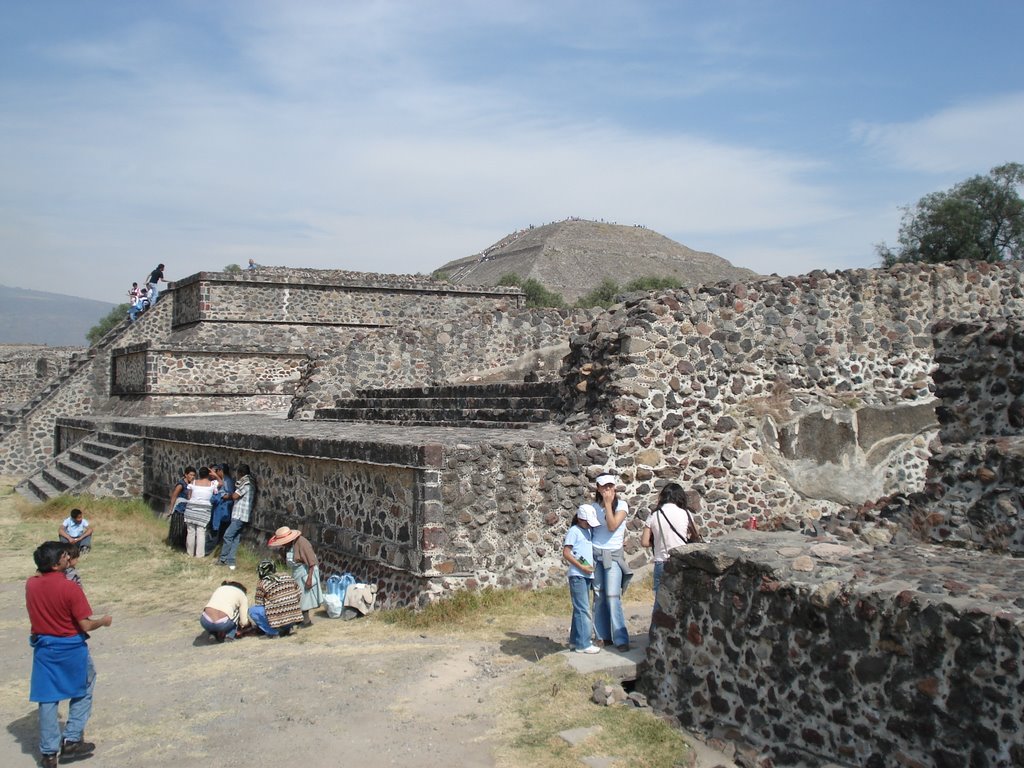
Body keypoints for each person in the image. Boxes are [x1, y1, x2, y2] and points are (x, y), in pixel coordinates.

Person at [26, 540, 113, 768]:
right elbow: (84, 625)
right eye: (64, 556)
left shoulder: (31, 585)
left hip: (44, 648)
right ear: (56, 564)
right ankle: (72, 738)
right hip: (70, 647)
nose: (68, 558)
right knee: (84, 688)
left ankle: (48, 753)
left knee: (47, 698)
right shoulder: (69, 588)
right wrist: (103, 621)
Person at [581, 473, 633, 652]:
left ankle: (621, 637)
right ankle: (602, 636)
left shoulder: (622, 506)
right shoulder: (594, 507)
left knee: (612, 596)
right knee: (599, 596)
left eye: (610, 486)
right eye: (604, 487)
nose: (608, 490)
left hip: (613, 555)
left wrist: (609, 505)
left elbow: (612, 526)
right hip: (596, 554)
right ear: (598, 488)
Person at [641, 483, 697, 604]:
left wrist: (657, 540)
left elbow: (644, 542)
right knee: (681, 602)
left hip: (661, 561)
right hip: (681, 561)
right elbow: (695, 536)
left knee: (660, 604)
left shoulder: (654, 515)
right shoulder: (686, 513)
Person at [563, 506, 600, 654]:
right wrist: (581, 567)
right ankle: (583, 644)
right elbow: (567, 552)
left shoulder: (587, 531)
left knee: (579, 609)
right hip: (578, 575)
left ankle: (575, 641)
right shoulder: (574, 531)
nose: (589, 524)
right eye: (587, 522)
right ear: (580, 519)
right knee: (583, 609)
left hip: (585, 574)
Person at [267, 527, 321, 627]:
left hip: (306, 571)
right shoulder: (288, 546)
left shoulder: (302, 543)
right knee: (296, 595)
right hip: (296, 572)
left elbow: (312, 562)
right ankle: (299, 618)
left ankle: (306, 621)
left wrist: (309, 579)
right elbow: (289, 560)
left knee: (304, 597)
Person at [248, 560, 302, 637]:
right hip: (294, 616)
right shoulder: (287, 576)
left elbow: (259, 603)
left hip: (279, 618)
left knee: (253, 610)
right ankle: (288, 628)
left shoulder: (263, 583)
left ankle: (273, 632)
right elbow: (299, 593)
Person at [218, 464, 255, 570]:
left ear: (240, 473)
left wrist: (227, 496)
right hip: (241, 514)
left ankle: (223, 559)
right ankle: (231, 561)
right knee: (235, 538)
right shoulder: (248, 482)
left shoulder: (247, 483)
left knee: (227, 536)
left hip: (240, 514)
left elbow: (235, 496)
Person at [183, 466, 218, 557]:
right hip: (204, 511)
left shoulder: (193, 483)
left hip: (191, 509)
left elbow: (189, 497)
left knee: (190, 532)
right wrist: (215, 475)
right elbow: (221, 483)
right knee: (201, 532)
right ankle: (199, 555)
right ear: (208, 474)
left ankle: (189, 553)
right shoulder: (212, 484)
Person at [207, 464, 234, 554]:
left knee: (219, 528)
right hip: (219, 507)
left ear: (221, 470)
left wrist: (221, 497)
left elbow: (230, 494)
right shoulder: (220, 480)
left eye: (217, 470)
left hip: (224, 508)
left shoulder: (227, 481)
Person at [166, 466, 195, 550]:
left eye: (193, 475)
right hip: (179, 509)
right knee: (178, 528)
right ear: (186, 474)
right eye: (190, 475)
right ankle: (174, 545)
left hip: (187, 509)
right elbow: (174, 496)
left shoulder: (192, 485)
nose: (192, 477)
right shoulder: (181, 484)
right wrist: (171, 509)